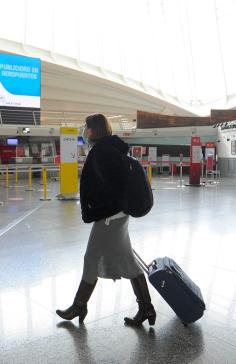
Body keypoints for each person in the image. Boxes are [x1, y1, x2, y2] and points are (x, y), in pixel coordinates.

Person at [56, 114, 156, 326]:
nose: (85, 130)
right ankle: (146, 308)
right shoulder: (107, 149)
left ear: (93, 130)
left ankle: (79, 306)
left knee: (91, 259)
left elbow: (116, 186)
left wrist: (102, 209)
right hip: (116, 215)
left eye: (87, 127)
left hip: (110, 217)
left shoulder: (103, 152)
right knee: (128, 261)